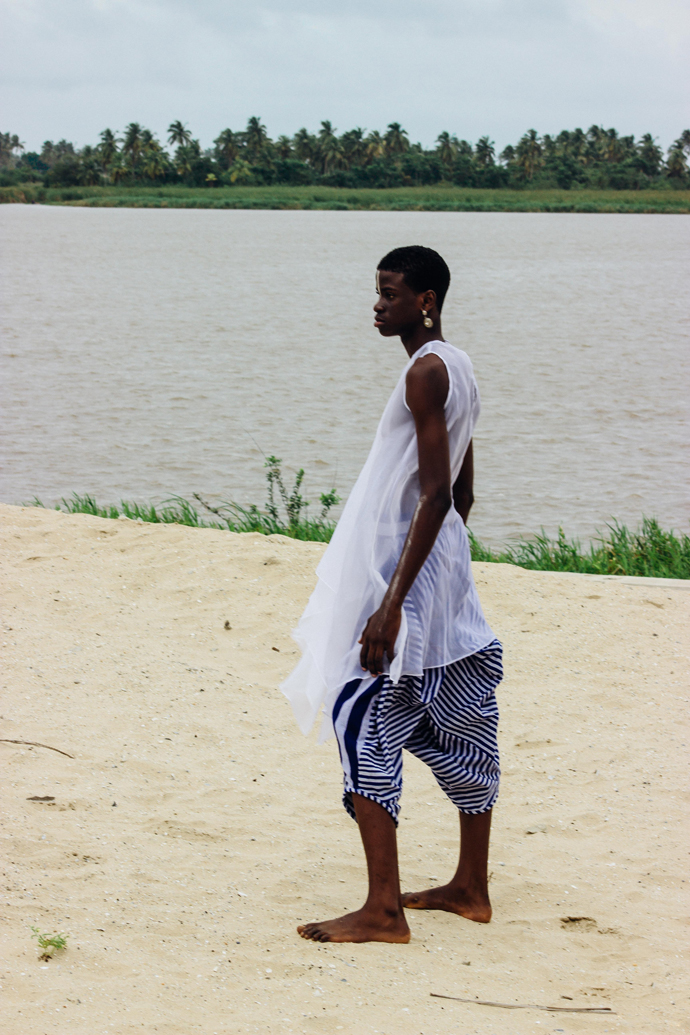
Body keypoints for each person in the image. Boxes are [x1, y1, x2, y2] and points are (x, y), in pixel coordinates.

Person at [281, 245, 502, 944]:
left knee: (361, 711)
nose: (378, 304)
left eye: (390, 293)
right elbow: (463, 492)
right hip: (445, 565)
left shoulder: (422, 374)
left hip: (405, 569)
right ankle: (471, 885)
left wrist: (393, 602)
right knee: (466, 711)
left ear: (426, 300)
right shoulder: (457, 366)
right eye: (378, 291)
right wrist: (444, 573)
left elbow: (436, 493)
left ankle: (383, 909)